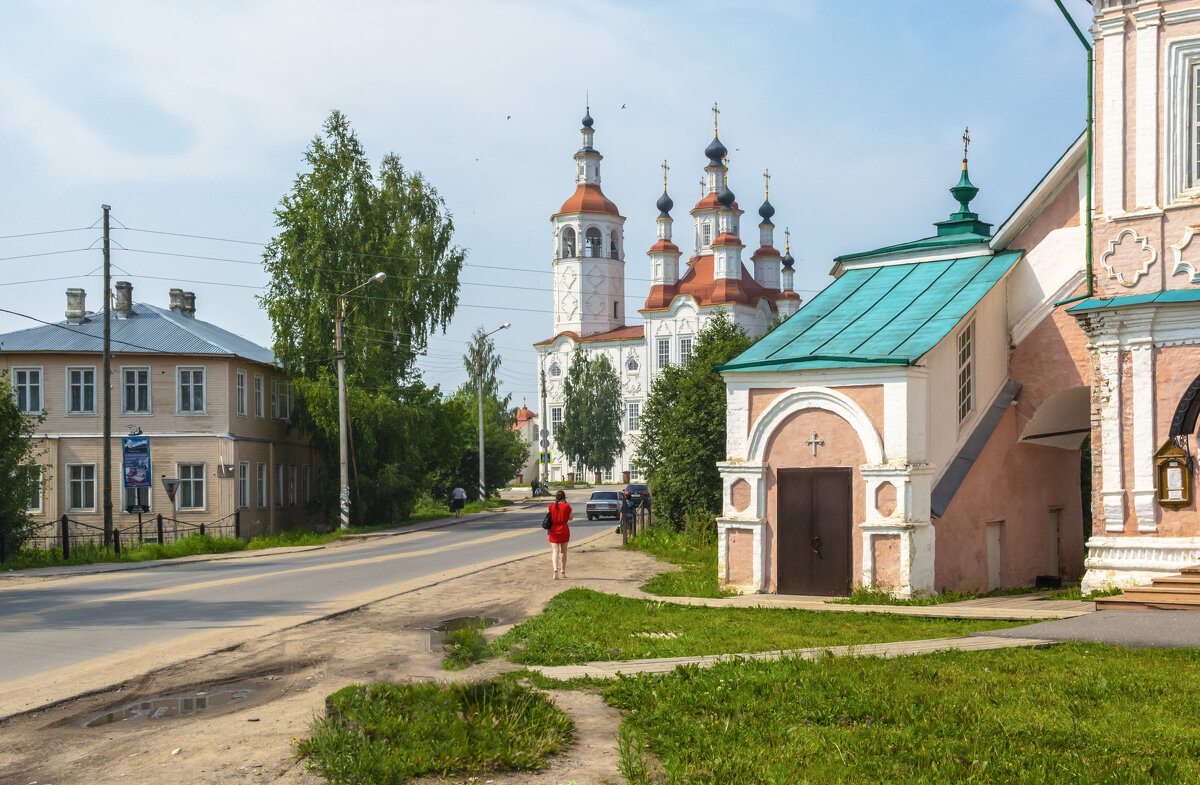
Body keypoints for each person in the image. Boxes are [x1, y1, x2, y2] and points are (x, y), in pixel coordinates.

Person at [547, 489, 572, 579]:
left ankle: (555, 571)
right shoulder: (566, 506)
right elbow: (571, 518)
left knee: (555, 551)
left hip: (553, 530)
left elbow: (548, 519)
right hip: (564, 530)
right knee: (563, 552)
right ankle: (563, 571)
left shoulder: (551, 506)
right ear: (564, 497)